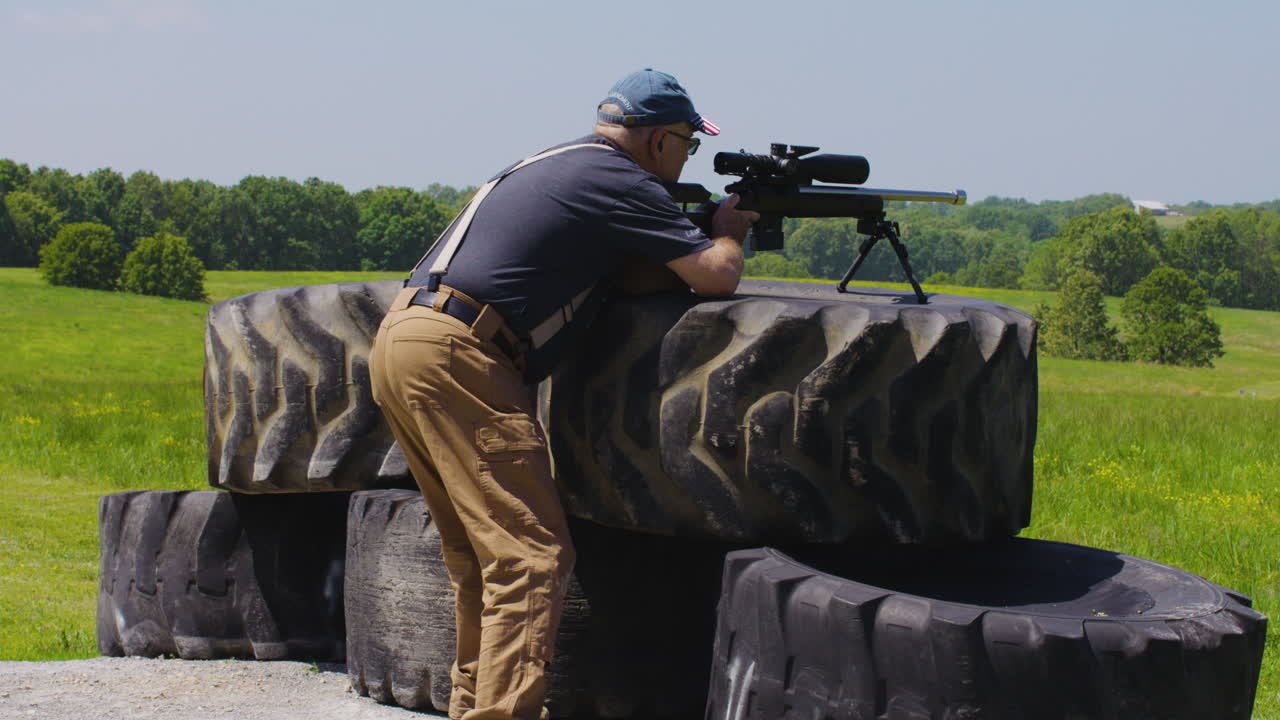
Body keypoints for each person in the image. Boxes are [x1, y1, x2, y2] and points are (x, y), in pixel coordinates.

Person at [368, 68, 757, 720]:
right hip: (463, 353)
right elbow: (716, 276)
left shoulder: (562, 162)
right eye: (688, 145)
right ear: (659, 140)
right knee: (531, 557)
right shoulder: (621, 179)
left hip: (407, 339)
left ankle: (474, 707)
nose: (686, 158)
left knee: (481, 558)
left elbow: (620, 279)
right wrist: (729, 230)